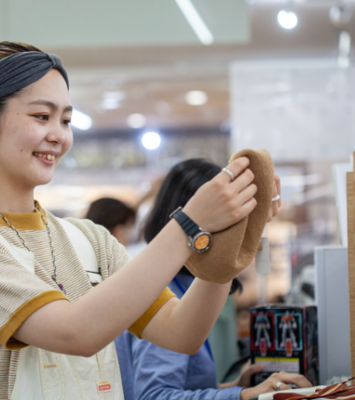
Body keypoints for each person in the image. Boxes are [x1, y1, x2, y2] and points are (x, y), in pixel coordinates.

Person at [0, 41, 278, 400]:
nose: (58, 135)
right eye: (42, 116)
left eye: (66, 120)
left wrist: (234, 236)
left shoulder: (88, 238)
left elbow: (182, 332)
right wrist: (190, 223)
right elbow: (75, 333)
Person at [115, 158, 312, 400]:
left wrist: (235, 387)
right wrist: (242, 395)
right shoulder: (161, 290)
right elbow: (154, 396)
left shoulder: (184, 284)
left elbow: (180, 387)